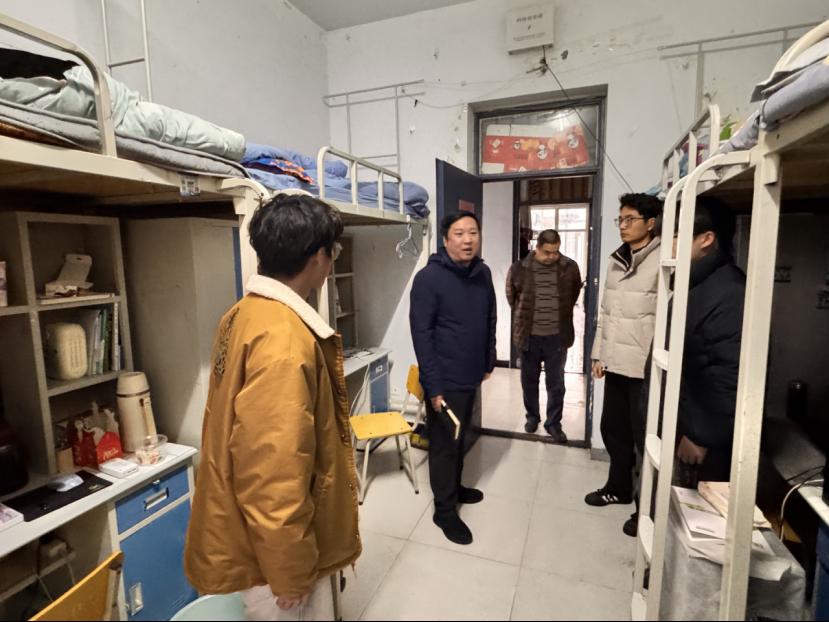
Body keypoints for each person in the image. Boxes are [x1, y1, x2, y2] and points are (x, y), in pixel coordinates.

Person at [184, 193, 361, 621]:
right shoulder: (284, 339)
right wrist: (290, 572)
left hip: (256, 536)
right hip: (273, 556)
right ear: (318, 258)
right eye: (333, 251)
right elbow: (273, 472)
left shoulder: (242, 313)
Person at [410, 210, 496, 545]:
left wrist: (488, 359)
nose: (468, 240)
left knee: (460, 439)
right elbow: (422, 336)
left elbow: (490, 317)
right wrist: (433, 386)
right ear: (445, 240)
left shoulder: (482, 273)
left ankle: (456, 489)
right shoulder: (429, 279)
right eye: (459, 234)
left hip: (470, 374)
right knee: (445, 446)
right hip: (444, 381)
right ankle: (444, 511)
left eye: (473, 232)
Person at [585, 193, 662, 518]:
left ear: (651, 223)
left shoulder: (664, 261)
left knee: (645, 439)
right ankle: (618, 488)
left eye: (630, 219)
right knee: (613, 430)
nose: (623, 225)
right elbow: (606, 314)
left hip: (645, 369)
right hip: (616, 362)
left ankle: (645, 511)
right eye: (621, 219)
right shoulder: (616, 261)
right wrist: (598, 355)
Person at [673, 198, 745, 486]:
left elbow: (729, 373)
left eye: (677, 234)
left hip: (700, 440)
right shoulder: (696, 281)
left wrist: (701, 435)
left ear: (706, 239)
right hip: (683, 423)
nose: (668, 243)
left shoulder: (729, 293)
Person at [506, 229, 583, 442]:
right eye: (547, 252)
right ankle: (532, 417)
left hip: (557, 337)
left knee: (556, 384)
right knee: (529, 381)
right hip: (528, 337)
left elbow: (574, 293)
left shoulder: (569, 268)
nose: (552, 256)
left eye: (556, 252)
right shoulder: (519, 268)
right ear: (537, 248)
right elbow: (512, 297)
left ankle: (553, 423)